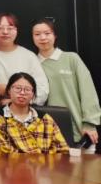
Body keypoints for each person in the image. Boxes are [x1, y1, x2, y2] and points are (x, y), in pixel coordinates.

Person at [32, 18, 100, 147]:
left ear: (55, 35)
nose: (43, 37)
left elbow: (88, 92)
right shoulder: (32, 63)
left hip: (80, 130)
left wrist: (90, 123)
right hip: (46, 134)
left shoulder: (71, 58)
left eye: (47, 33)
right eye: (37, 34)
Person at [0, 73, 69, 155]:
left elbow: (63, 149)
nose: (22, 93)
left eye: (27, 89)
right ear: (9, 90)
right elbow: (2, 151)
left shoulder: (44, 118)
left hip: (46, 163)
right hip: (12, 163)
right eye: (18, 88)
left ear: (33, 94)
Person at [0, 13, 48, 105]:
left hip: (22, 109)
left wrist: (15, 100)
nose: (5, 32)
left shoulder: (29, 56)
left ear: (17, 30)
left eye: (10, 28)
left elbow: (42, 90)